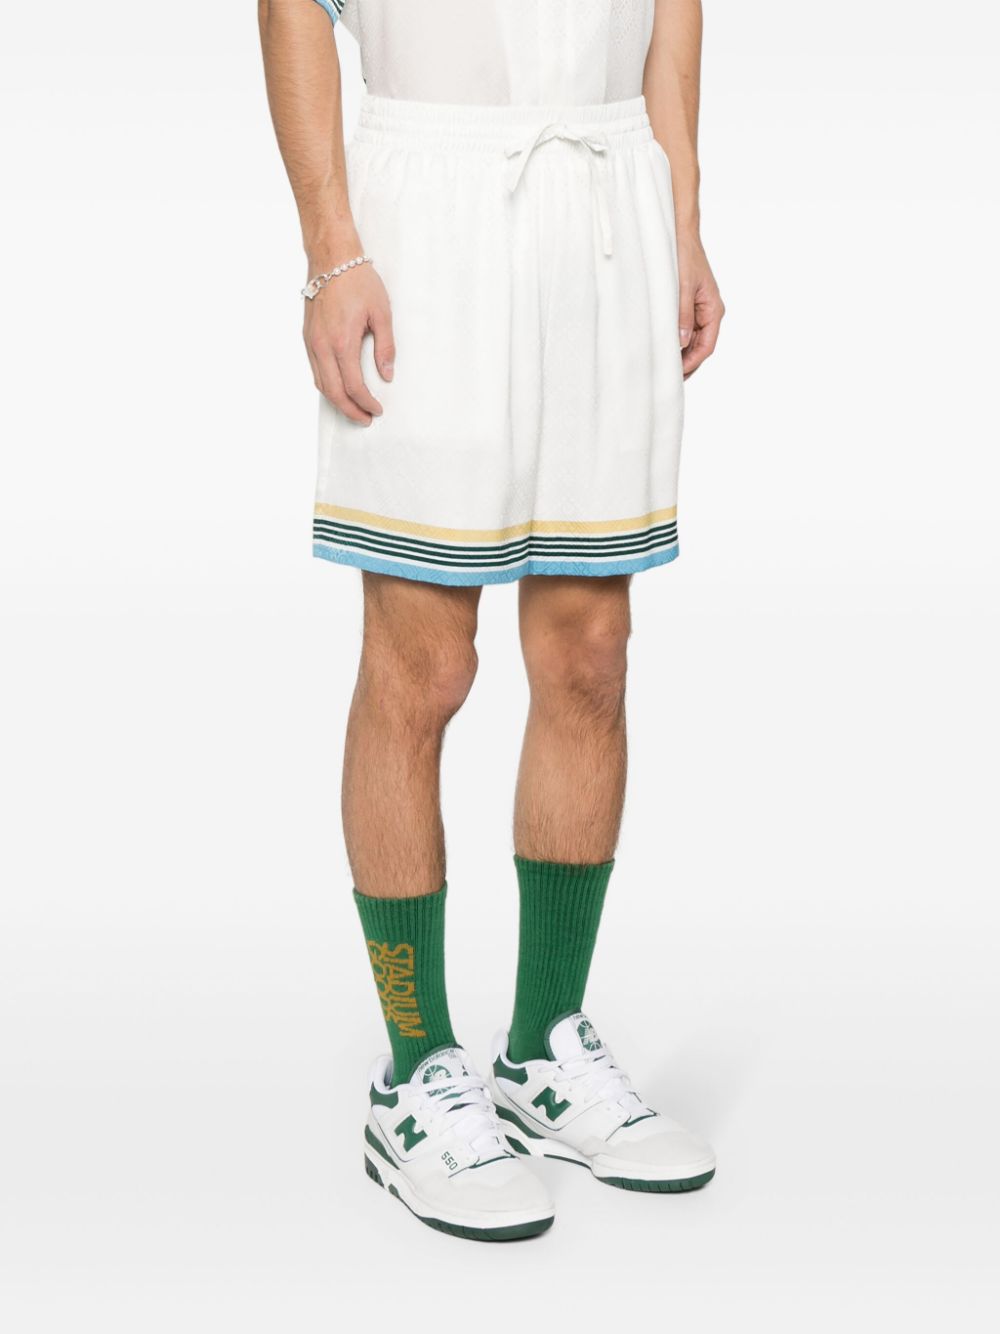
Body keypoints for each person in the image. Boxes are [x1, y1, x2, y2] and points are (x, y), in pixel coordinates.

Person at [259, 0, 724, 1241]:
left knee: (589, 652)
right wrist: (331, 251)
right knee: (423, 664)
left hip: (607, 200)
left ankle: (542, 1047)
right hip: (431, 214)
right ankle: (415, 1067)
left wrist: (683, 218)